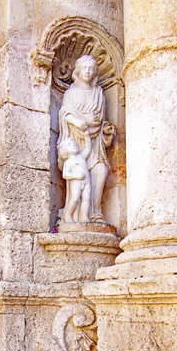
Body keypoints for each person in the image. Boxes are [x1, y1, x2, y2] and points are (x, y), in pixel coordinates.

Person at [58, 54, 115, 224]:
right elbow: (64, 114)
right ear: (78, 70)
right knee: (77, 184)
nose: (88, 72)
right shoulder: (71, 93)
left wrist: (104, 130)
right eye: (85, 68)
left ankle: (95, 212)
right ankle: (75, 216)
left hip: (95, 141)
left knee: (101, 170)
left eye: (92, 69)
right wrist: (78, 122)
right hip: (76, 137)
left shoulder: (99, 94)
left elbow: (100, 119)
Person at [58, 129, 92, 224]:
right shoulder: (68, 161)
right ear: (65, 151)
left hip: (86, 181)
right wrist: (76, 176)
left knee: (86, 199)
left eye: (74, 143)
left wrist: (86, 137)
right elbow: (65, 174)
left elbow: (88, 149)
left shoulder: (82, 156)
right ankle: (68, 215)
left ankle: (84, 217)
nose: (74, 145)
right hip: (76, 182)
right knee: (75, 199)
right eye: (70, 144)